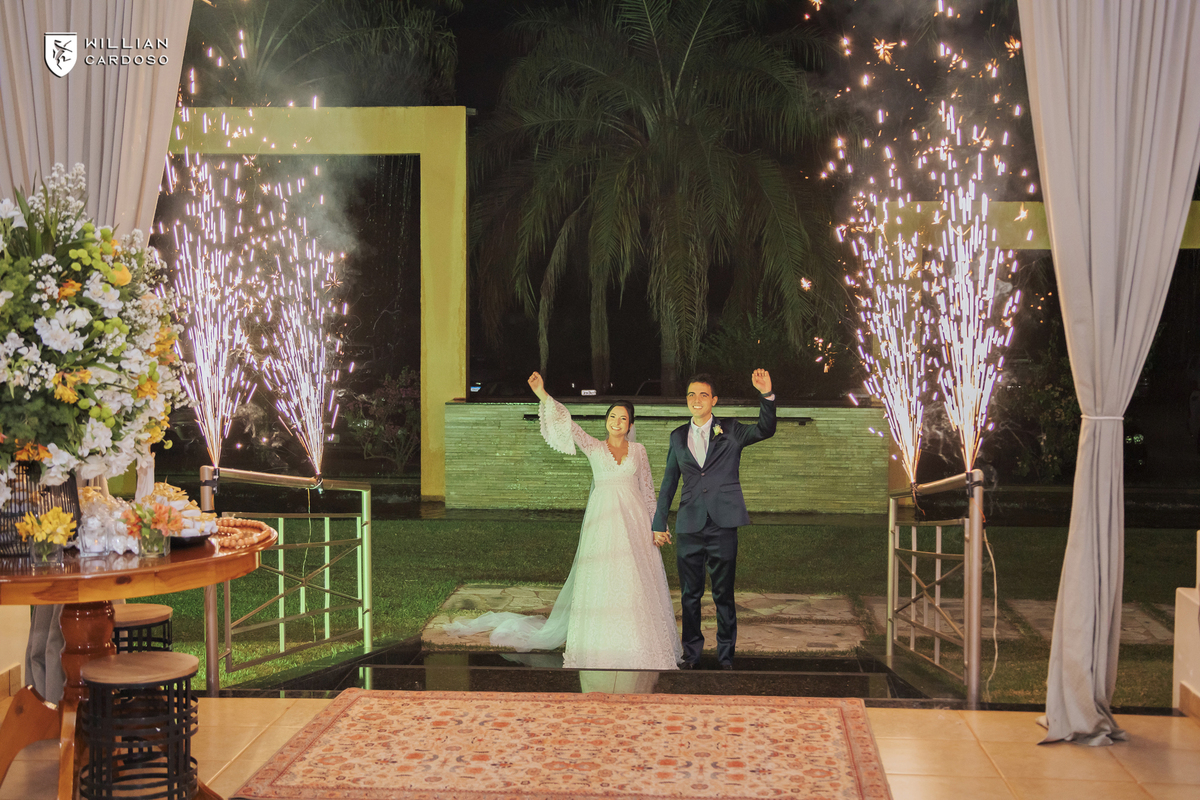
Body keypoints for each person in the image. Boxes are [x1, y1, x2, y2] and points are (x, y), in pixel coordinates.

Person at [443, 372, 682, 671]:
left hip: (635, 524)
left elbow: (648, 490)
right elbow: (569, 426)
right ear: (606, 421)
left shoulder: (639, 451)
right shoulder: (594, 447)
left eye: (623, 418)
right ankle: (598, 644)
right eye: (612, 416)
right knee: (603, 577)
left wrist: (659, 525)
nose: (617, 422)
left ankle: (640, 644)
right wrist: (543, 395)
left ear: (631, 425)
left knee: (635, 579)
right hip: (603, 523)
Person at [652, 369, 775, 670]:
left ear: (714, 400)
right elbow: (669, 482)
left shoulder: (731, 429)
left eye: (703, 395)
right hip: (690, 524)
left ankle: (725, 657)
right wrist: (658, 521)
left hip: (723, 522)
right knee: (690, 596)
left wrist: (767, 395)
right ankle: (691, 655)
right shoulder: (677, 436)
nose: (697, 400)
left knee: (723, 594)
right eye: (691, 395)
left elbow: (765, 429)